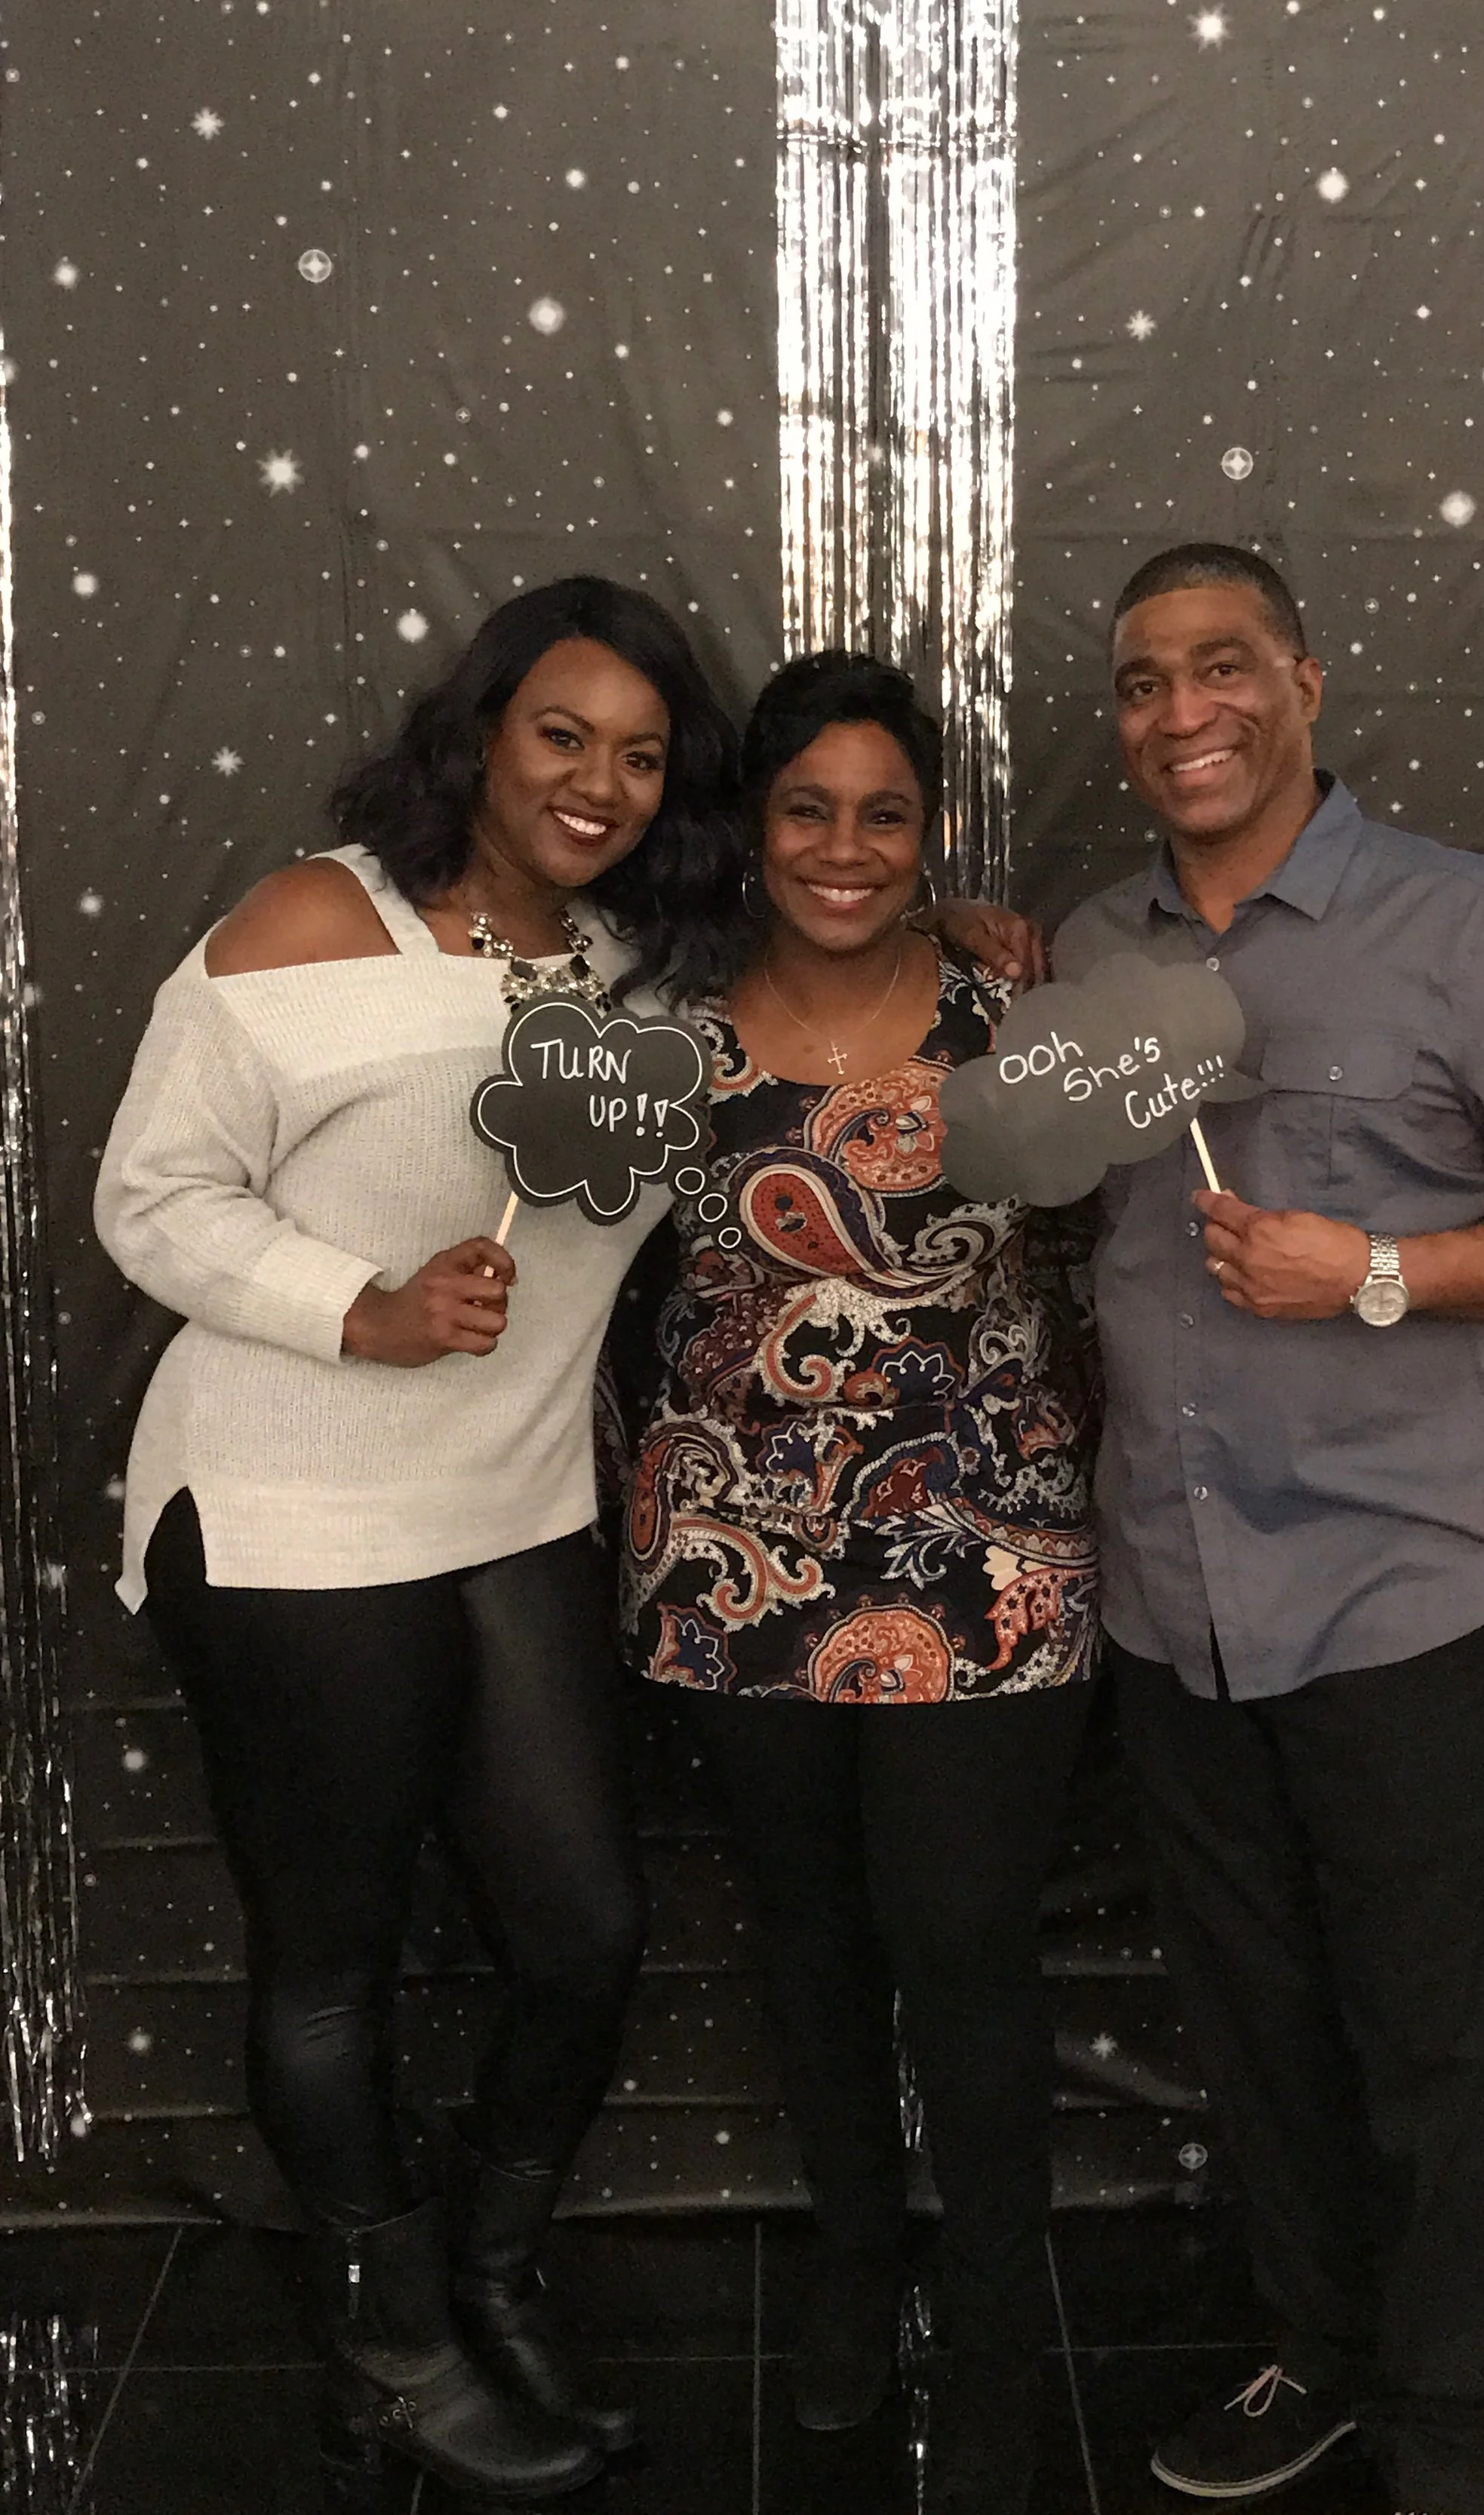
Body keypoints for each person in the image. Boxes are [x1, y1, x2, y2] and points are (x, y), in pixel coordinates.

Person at [94, 576, 752, 2504]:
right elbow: (152, 1194)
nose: (599, 782)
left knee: (582, 1926)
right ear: (480, 730)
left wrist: (963, 932)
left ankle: (487, 2273)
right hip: (291, 1502)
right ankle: (387, 2345)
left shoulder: (642, 970)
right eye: (563, 735)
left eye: (642, 755)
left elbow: (818, 1006)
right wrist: (353, 1300)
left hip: (515, 1499)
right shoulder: (315, 919)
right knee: (332, 1958)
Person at [1053, 543, 1484, 2515]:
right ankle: (1318, 2351)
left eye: (1218, 666)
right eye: (1143, 682)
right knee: (1256, 2029)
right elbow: (1047, 1171)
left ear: (1302, 683)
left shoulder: (1460, 925)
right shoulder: (1093, 950)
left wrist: (1378, 1271)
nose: (1180, 710)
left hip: (1407, 1581)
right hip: (1175, 1597)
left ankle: (1452, 2423)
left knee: (1441, 2036)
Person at [619, 651, 1097, 2515]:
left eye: (881, 810)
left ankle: (992, 2319)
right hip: (732, 1558)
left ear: (929, 830)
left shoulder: (1021, 1008)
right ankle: (851, 2261)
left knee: (963, 1946)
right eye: (804, 806)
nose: (841, 844)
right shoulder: (658, 1022)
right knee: (808, 1941)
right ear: (749, 821)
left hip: (986, 1551)